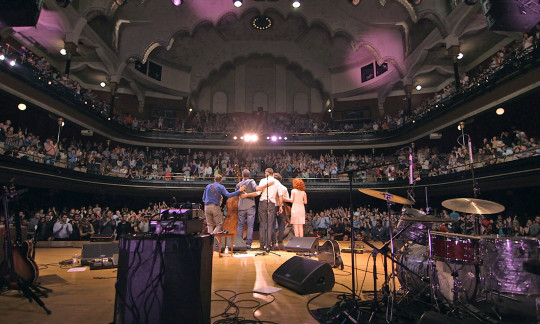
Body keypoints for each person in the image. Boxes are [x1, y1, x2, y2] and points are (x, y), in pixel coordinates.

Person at [257, 168, 281, 251]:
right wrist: (280, 206)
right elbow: (280, 195)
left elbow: (258, 192)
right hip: (271, 204)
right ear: (273, 173)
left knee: (262, 224)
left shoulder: (263, 180)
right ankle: (268, 245)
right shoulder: (277, 182)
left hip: (263, 203)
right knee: (270, 225)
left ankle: (261, 245)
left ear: (266, 173)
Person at [236, 169, 258, 249]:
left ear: (242, 175)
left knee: (240, 225)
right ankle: (248, 244)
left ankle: (239, 243)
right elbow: (256, 188)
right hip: (250, 207)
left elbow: (237, 194)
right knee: (250, 226)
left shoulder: (238, 184)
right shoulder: (251, 181)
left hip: (241, 207)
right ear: (249, 175)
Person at [273, 173, 289, 249]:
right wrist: (281, 198)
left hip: (273, 207)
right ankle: (280, 242)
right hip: (281, 206)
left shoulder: (271, 188)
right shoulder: (284, 188)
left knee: (272, 225)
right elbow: (287, 199)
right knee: (281, 225)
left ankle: (273, 243)